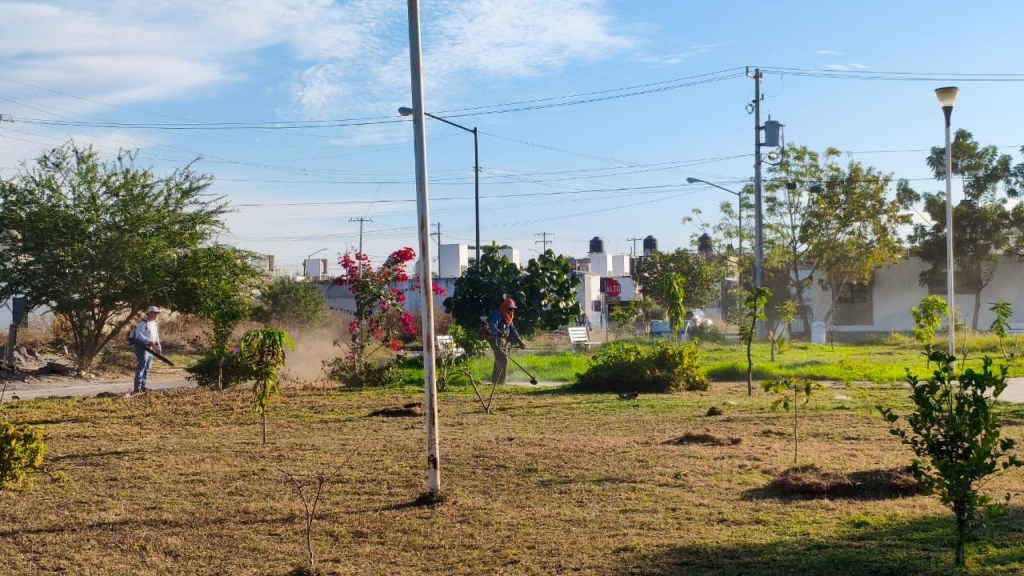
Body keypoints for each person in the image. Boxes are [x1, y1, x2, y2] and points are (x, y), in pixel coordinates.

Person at [487, 297, 525, 385]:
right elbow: (492, 325)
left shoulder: (509, 317)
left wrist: (520, 342)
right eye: (510, 308)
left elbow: (513, 330)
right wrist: (499, 332)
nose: (511, 310)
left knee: (499, 358)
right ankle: (501, 382)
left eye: (513, 309)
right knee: (503, 359)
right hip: (495, 338)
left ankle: (495, 381)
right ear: (505, 307)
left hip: (504, 339)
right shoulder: (497, 314)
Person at [130, 306, 162, 394]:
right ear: (149, 313)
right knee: (142, 367)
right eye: (154, 313)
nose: (156, 315)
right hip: (142, 347)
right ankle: (137, 388)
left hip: (150, 348)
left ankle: (143, 386)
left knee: (147, 367)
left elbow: (156, 336)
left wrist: (158, 346)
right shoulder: (143, 323)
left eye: (157, 313)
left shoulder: (154, 323)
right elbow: (139, 336)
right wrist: (149, 341)